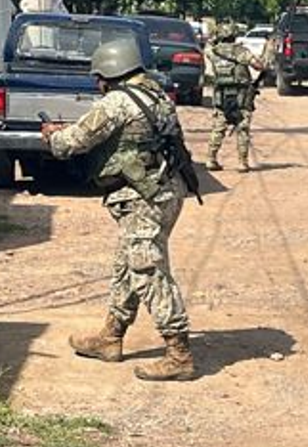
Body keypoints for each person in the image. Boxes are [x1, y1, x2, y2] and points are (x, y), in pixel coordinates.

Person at [41, 39, 197, 382]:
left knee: (146, 268)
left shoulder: (117, 103)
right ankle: (110, 337)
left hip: (143, 196)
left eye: (99, 77)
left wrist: (52, 136)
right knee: (127, 264)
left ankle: (179, 353)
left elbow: (71, 143)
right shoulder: (155, 93)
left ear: (110, 72)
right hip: (168, 190)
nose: (97, 84)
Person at [204, 22, 263, 172]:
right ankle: (242, 163)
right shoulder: (242, 52)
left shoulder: (213, 52)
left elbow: (206, 48)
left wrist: (212, 40)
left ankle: (211, 159)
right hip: (241, 96)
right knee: (242, 128)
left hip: (221, 96)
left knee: (218, 128)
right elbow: (259, 66)